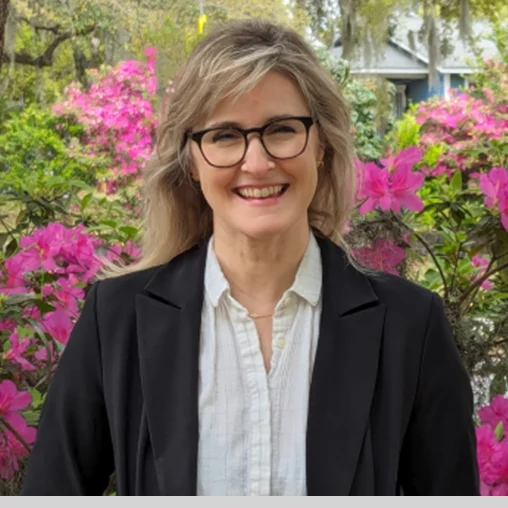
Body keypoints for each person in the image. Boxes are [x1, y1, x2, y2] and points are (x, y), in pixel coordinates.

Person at [21, 19, 479, 496]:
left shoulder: (410, 327)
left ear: (320, 145)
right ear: (192, 162)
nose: (256, 162)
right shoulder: (115, 321)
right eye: (224, 136)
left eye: (281, 129)